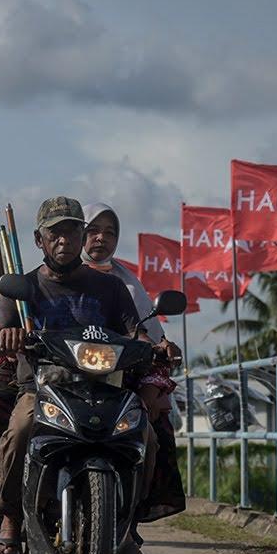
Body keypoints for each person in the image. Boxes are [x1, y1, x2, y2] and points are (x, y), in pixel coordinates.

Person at [0, 196, 152, 554]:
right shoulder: (23, 287)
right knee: (20, 429)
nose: (63, 241)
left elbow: (135, 331)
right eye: (54, 234)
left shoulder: (109, 288)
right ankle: (11, 517)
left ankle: (126, 527)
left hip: (104, 388)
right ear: (39, 240)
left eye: (72, 232)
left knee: (146, 436)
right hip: (43, 389)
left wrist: (154, 347)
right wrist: (6, 336)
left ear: (82, 236)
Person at [82, 203, 186, 526]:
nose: (101, 238)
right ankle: (11, 507)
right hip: (67, 378)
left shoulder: (125, 285)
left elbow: (147, 334)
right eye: (93, 231)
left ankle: (129, 521)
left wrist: (161, 350)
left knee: (151, 436)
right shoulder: (62, 278)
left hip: (119, 382)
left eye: (110, 232)